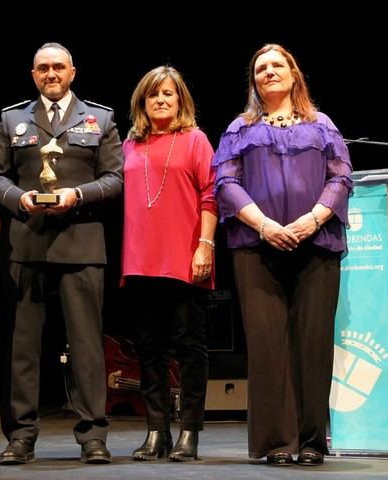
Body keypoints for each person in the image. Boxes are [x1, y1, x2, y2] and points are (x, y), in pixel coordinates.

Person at [213, 44, 352, 466]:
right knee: (268, 345)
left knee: (312, 344)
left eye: (277, 65)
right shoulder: (240, 128)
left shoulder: (322, 125)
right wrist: (265, 226)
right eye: (261, 68)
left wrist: (313, 219)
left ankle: (311, 441)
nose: (269, 72)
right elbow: (225, 182)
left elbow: (341, 177)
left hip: (317, 245)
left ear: (294, 74)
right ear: (254, 81)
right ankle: (277, 442)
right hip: (257, 248)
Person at [0, 42, 123, 465]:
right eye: (43, 68)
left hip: (81, 243)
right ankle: (21, 435)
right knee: (23, 347)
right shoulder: (13, 118)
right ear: (33, 74)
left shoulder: (99, 118)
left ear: (72, 72)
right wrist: (19, 198)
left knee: (86, 345)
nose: (51, 74)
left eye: (58, 67)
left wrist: (78, 194)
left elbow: (115, 178)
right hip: (27, 243)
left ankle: (93, 436)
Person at [121, 66, 217, 462]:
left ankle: (189, 432)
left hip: (184, 258)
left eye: (168, 94)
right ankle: (156, 430)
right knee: (149, 350)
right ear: (142, 103)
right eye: (152, 95)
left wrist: (205, 246)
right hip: (140, 261)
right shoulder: (128, 145)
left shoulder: (195, 140)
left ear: (181, 101)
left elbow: (212, 195)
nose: (160, 100)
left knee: (190, 348)